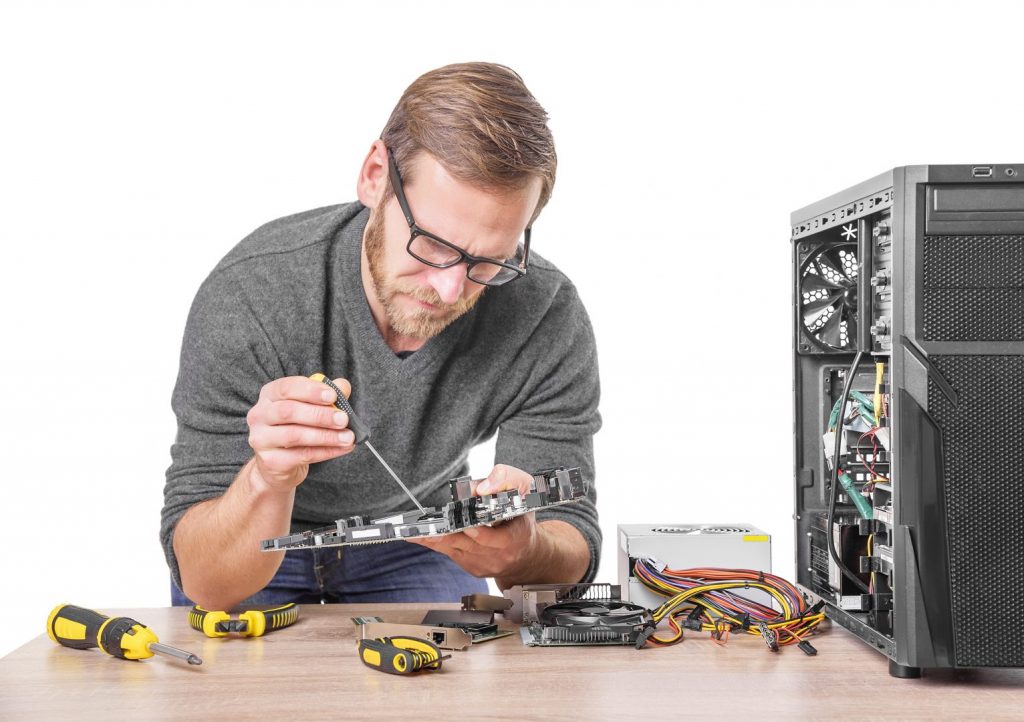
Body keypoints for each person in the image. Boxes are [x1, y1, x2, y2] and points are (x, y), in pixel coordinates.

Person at [161, 62, 601, 611]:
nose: (448, 288)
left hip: (417, 538)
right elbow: (206, 582)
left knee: (451, 683)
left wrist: (524, 548)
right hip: (258, 536)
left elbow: (571, 544)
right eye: (433, 244)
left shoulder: (544, 312)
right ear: (375, 176)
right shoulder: (252, 293)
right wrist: (267, 481)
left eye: (489, 260)